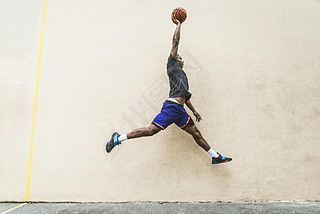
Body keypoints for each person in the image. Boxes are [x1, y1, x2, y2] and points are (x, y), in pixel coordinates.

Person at [106, 14, 232, 165]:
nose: (182, 60)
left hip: (180, 111)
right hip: (172, 108)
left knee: (196, 133)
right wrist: (179, 25)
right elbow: (175, 42)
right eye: (179, 58)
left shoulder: (183, 76)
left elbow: (186, 96)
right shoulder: (172, 65)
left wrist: (194, 111)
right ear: (174, 59)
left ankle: (215, 156)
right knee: (150, 131)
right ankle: (118, 138)